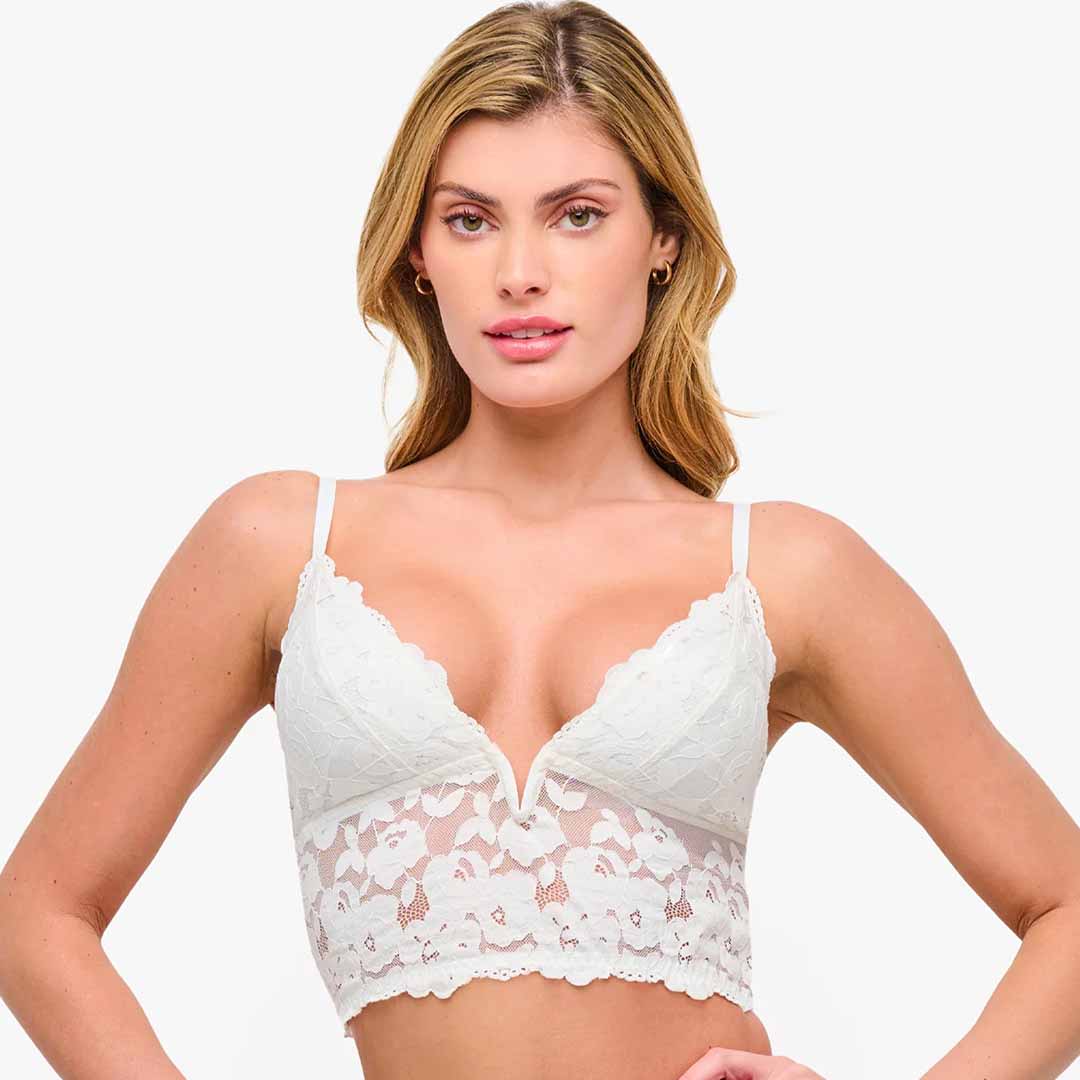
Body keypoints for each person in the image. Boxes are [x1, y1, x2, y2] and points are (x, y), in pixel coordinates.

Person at [3, 3, 1079, 1079]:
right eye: (472, 219)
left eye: (578, 215)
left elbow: (1065, 907)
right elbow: (38, 914)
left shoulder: (786, 572)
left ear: (663, 239)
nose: (520, 271)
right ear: (419, 253)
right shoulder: (281, 545)